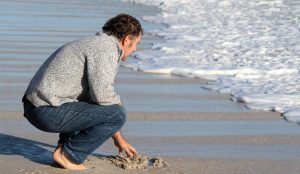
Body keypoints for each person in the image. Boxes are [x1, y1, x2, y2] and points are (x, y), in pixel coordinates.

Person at [22, 14, 143, 170]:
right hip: (45, 110)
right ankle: (68, 155)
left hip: (39, 106)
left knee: (90, 104)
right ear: (126, 40)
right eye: (136, 44)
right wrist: (117, 133)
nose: (135, 49)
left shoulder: (97, 43)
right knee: (118, 114)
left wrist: (117, 138)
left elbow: (95, 100)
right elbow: (103, 97)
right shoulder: (105, 49)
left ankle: (64, 148)